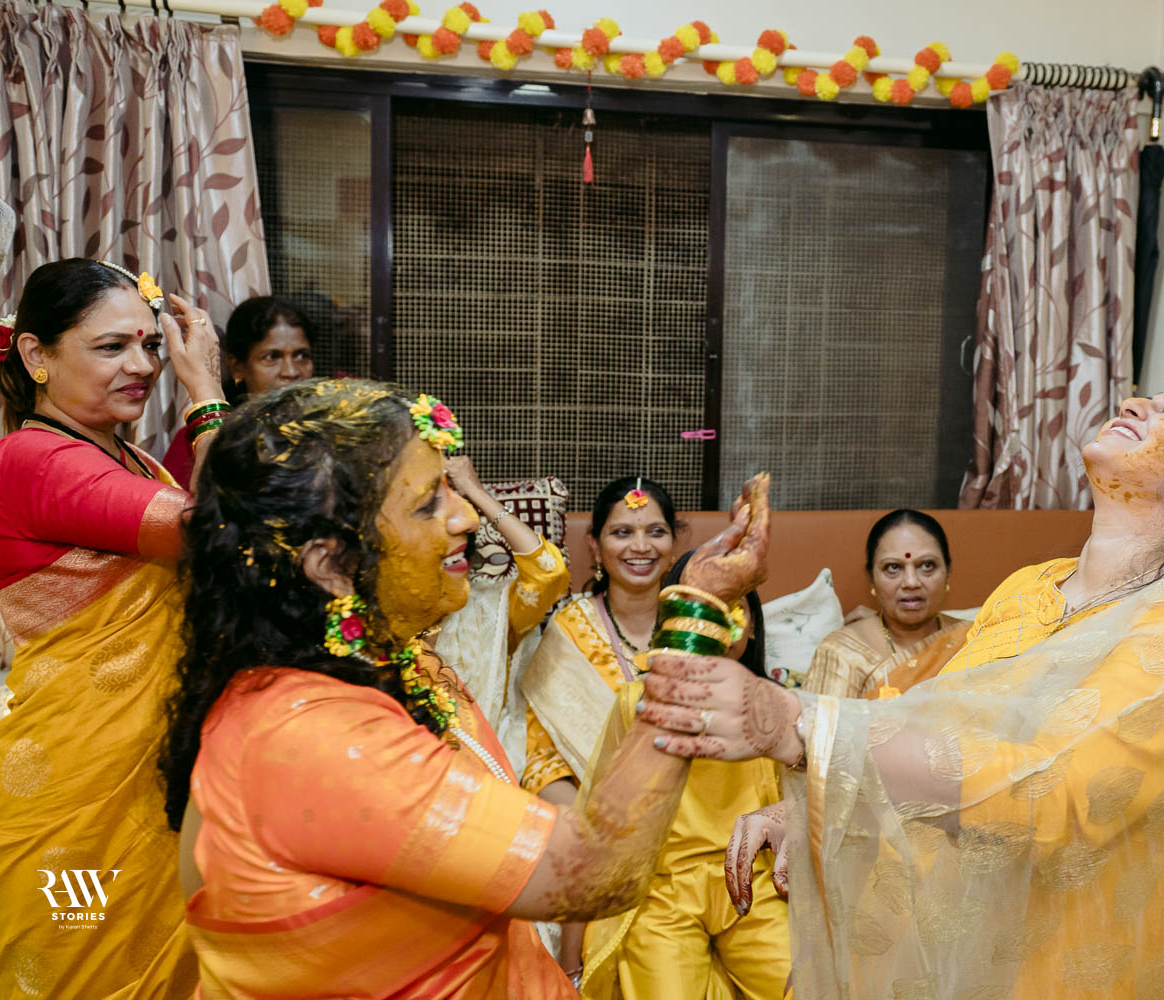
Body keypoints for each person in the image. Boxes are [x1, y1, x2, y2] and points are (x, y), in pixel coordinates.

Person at [643, 369, 1164, 998]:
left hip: (1073, 960)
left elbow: (1057, 794)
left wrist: (802, 726)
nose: (1133, 406)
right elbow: (942, 725)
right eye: (1145, 399)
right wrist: (814, 797)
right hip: (948, 940)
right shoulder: (1030, 588)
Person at [159, 380, 772, 996]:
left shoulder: (404, 664)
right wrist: (695, 616)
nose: (468, 517)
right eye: (429, 503)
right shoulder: (312, 741)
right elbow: (592, 870)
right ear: (330, 564)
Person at [0, 258, 225, 998]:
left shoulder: (133, 460)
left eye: (150, 345)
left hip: (152, 778)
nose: (142, 366)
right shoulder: (31, 458)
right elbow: (223, 529)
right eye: (112, 346)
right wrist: (207, 394)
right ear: (36, 355)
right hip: (76, 797)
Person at [577, 550, 787, 1000]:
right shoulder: (636, 703)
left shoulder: (777, 708)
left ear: (752, 625)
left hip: (753, 883)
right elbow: (600, 818)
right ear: (671, 622)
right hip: (662, 892)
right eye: (700, 610)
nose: (715, 625)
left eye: (732, 609)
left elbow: (800, 803)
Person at [518, 476, 682, 977]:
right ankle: (575, 973)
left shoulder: (695, 626)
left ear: (675, 543)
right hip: (596, 818)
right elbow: (543, 759)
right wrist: (590, 822)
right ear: (594, 545)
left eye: (655, 531)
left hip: (690, 812)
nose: (640, 547)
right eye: (622, 532)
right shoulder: (571, 630)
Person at [430, 455, 570, 768]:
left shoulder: (494, 609)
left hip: (486, 771)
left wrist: (476, 492)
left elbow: (548, 572)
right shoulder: (382, 616)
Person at [805, 509, 971, 699]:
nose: (911, 582)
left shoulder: (974, 640)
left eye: (927, 565)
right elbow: (823, 718)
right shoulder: (843, 653)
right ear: (871, 579)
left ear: (948, 573)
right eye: (893, 567)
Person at [160, 295, 315, 483]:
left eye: (302, 355)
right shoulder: (198, 439)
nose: (291, 372)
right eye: (272, 357)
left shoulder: (327, 432)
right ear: (237, 367)